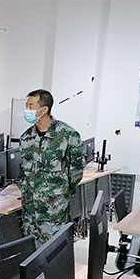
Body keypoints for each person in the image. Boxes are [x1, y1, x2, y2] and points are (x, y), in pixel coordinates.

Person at [18, 89, 85, 247]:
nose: (27, 110)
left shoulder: (67, 134)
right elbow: (26, 171)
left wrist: (62, 190)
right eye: (26, 106)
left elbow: (76, 170)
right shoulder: (26, 137)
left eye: (31, 106)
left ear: (44, 109)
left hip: (54, 208)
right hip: (30, 209)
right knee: (32, 252)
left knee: (54, 252)